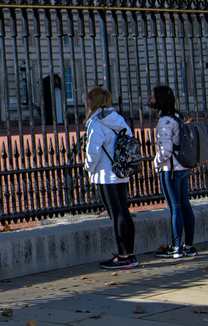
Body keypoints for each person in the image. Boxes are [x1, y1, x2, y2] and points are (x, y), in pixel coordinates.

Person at [84, 85, 138, 270]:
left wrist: (88, 168)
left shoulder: (96, 123)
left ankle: (123, 256)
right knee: (124, 212)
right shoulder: (118, 119)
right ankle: (130, 254)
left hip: (105, 174)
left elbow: (93, 151)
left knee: (117, 215)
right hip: (121, 171)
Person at [151, 84, 197, 259]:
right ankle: (189, 245)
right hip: (183, 167)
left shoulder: (165, 121)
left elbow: (166, 150)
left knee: (175, 207)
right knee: (185, 205)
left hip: (170, 169)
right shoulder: (178, 116)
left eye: (153, 96)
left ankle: (176, 246)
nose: (150, 99)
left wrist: (155, 163)